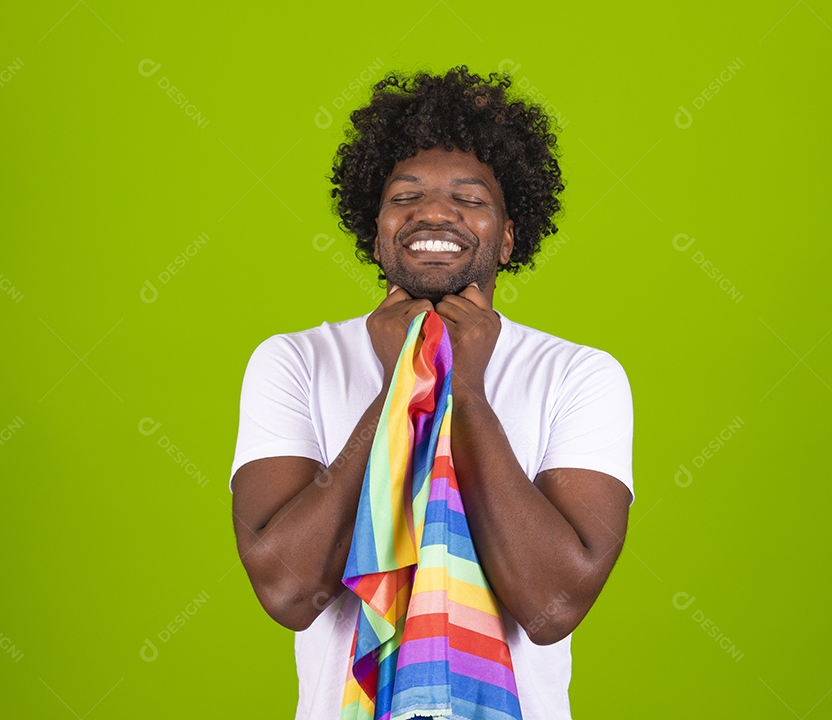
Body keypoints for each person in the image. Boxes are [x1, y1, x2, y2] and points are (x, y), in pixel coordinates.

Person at [229, 65, 634, 720]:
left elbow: (552, 606)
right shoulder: (295, 361)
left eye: (470, 199)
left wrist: (464, 390)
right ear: (377, 227)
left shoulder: (578, 374)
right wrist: (400, 386)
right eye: (405, 196)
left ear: (507, 238)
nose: (435, 212)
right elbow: (287, 591)